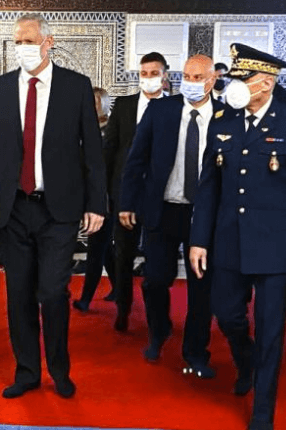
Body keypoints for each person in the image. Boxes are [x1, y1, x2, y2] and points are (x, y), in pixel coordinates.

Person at [0, 13, 106, 399]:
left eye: (29, 41)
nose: (22, 48)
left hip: (59, 210)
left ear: (48, 42)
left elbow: (93, 152)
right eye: (17, 42)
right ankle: (27, 371)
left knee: (52, 292)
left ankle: (59, 370)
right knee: (19, 295)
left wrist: (97, 203)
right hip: (13, 208)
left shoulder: (76, 87)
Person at [189, 43, 286, 430]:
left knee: (270, 331)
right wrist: (199, 239)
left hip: (274, 246)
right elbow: (209, 186)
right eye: (234, 78)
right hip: (228, 241)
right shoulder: (223, 121)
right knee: (227, 314)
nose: (234, 85)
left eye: (244, 78)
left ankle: (263, 410)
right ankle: (245, 360)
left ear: (266, 83)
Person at [119, 54, 223, 378]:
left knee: (201, 288)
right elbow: (136, 159)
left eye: (198, 77)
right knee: (155, 280)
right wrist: (127, 202)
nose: (190, 83)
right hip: (163, 209)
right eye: (186, 76)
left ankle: (196, 351)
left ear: (212, 80)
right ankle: (159, 330)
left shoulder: (226, 116)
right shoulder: (160, 110)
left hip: (204, 214)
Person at [105, 52, 169, 331]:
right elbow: (111, 150)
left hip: (161, 197)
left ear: (165, 76)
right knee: (123, 256)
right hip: (125, 195)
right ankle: (123, 309)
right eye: (144, 73)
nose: (148, 78)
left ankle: (158, 316)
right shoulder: (124, 105)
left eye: (154, 73)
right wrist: (109, 195)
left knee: (158, 261)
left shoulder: (175, 107)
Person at [73, 87, 116, 311]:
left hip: (107, 198)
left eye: (96, 102)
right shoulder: (82, 129)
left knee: (96, 249)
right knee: (104, 247)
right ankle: (119, 288)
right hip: (89, 195)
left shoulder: (112, 130)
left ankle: (86, 299)